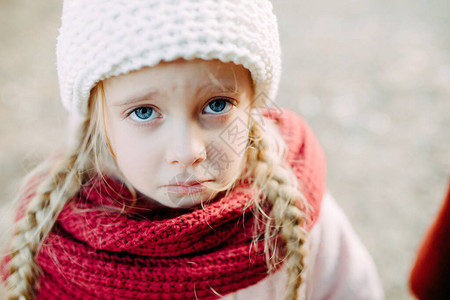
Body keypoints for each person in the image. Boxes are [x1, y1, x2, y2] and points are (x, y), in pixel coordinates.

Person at [1, 0, 383, 299]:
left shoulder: (290, 207)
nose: (187, 151)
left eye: (217, 105)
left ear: (252, 104)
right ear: (97, 121)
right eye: (145, 112)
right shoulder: (62, 242)